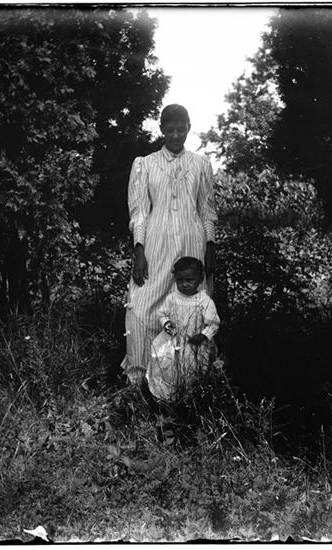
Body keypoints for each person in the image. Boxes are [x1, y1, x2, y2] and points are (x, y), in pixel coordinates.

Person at [121, 104, 217, 386]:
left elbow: (207, 210)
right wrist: (139, 250)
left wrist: (210, 246)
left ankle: (186, 382)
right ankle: (139, 381)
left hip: (191, 245)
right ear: (162, 129)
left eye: (181, 129)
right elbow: (139, 212)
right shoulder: (145, 164)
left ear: (189, 128)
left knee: (192, 310)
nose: (176, 135)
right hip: (156, 244)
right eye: (170, 129)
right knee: (140, 308)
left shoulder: (201, 164)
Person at [147, 257, 220, 400]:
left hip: (194, 343)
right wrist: (166, 323)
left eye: (190, 280)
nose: (184, 284)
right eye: (180, 280)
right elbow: (162, 314)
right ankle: (167, 396)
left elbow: (213, 324)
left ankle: (189, 397)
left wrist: (203, 335)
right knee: (167, 365)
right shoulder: (173, 298)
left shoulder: (204, 301)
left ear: (200, 279)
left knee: (191, 368)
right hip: (173, 340)